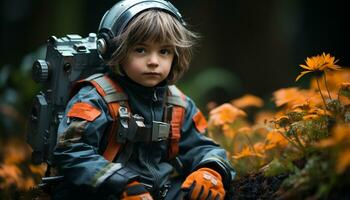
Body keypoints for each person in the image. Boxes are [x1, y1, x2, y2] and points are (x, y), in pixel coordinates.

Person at [52, 0, 235, 199]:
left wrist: (210, 170)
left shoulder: (178, 103)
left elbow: (202, 146)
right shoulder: (95, 98)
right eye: (141, 50)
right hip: (103, 190)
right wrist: (122, 184)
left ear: (176, 54)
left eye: (164, 51)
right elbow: (71, 151)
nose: (154, 61)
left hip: (160, 191)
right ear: (115, 50)